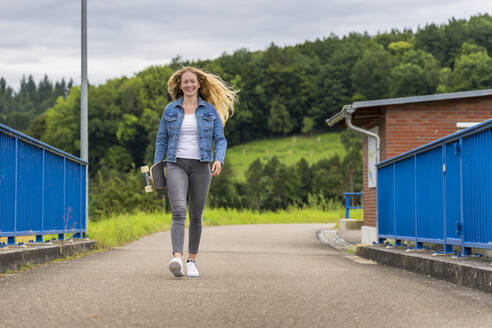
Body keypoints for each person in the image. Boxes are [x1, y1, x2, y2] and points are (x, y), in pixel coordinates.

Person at [154, 66, 238, 277]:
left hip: (202, 165)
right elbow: (161, 139)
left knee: (196, 215)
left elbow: (220, 139)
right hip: (176, 164)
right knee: (179, 211)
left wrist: (219, 159)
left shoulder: (209, 110)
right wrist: (158, 167)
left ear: (199, 84)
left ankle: (192, 260)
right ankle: (177, 258)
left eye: (193, 81)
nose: (189, 85)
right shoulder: (170, 110)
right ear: (179, 85)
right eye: (185, 82)